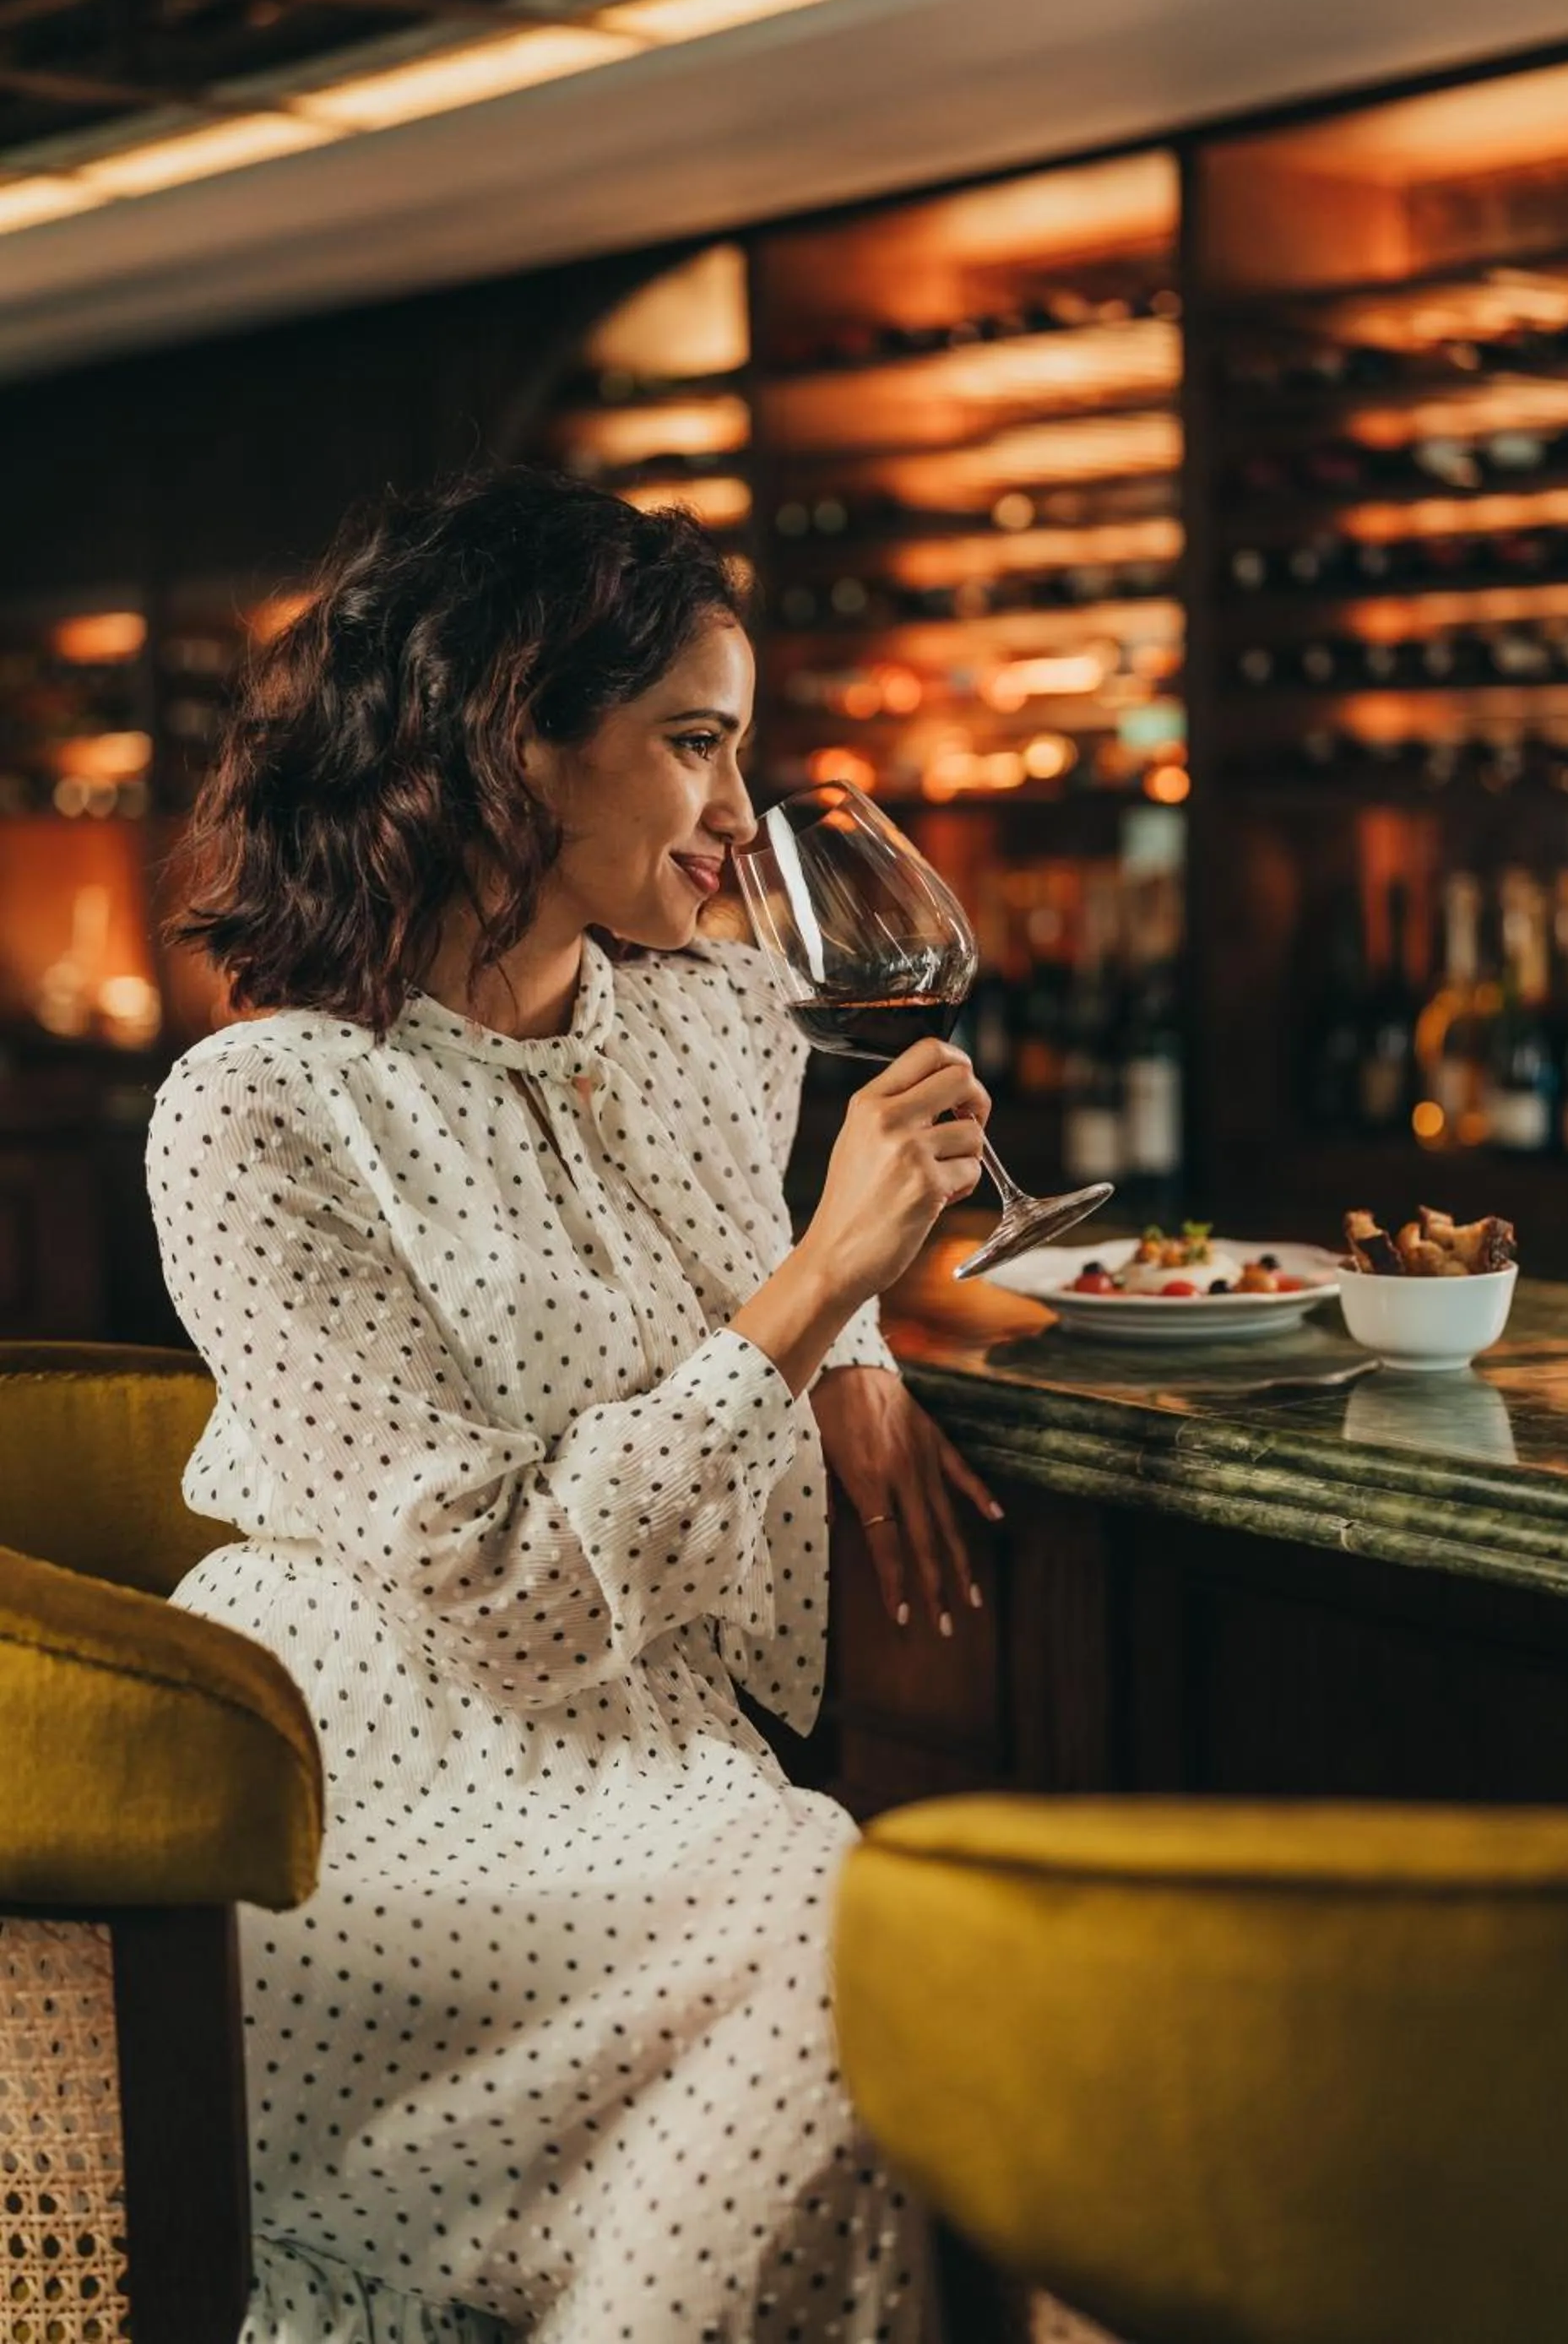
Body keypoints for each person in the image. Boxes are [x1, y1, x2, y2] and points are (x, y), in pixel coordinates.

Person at [147, 465, 1001, 2344]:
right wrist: (824, 1293)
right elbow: (503, 1590)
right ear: (507, 739)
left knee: (873, 1952)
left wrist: (851, 1360)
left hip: (666, 1760)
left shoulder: (713, 1014)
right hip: (368, 1780)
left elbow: (722, 1242)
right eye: (692, 742)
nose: (731, 810)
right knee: (844, 1969)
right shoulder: (260, 1115)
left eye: (741, 746)